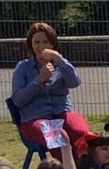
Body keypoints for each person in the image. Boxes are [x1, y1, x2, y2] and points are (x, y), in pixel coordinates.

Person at [8, 20, 92, 155]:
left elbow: (74, 82)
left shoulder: (60, 63)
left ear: (53, 43)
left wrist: (59, 60)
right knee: (56, 138)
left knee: (82, 133)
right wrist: (38, 81)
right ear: (30, 45)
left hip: (62, 111)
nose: (41, 46)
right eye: (37, 42)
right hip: (35, 118)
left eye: (45, 41)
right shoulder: (23, 68)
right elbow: (17, 100)